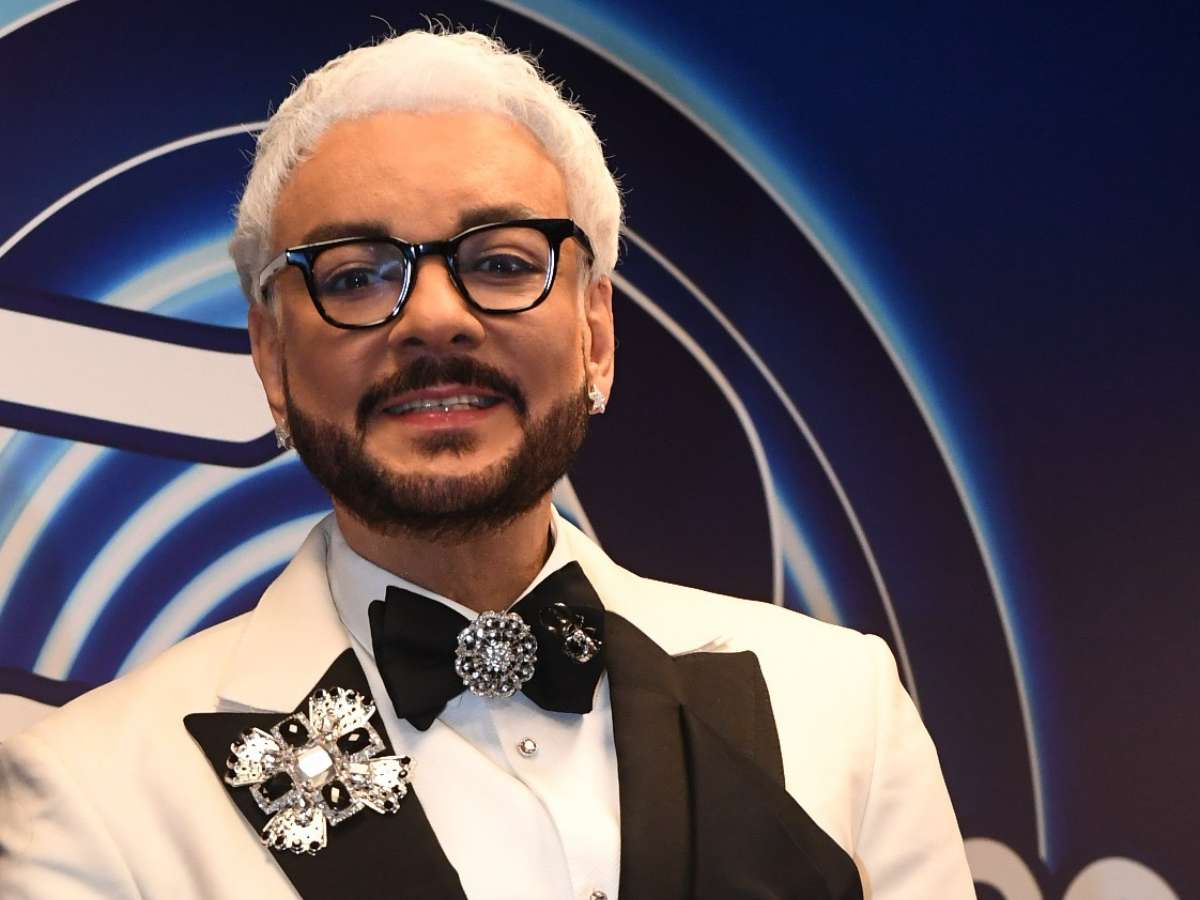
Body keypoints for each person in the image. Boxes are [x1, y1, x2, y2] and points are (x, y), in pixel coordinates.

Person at [0, 28, 975, 899]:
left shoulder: (839, 708)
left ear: (595, 331)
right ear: (271, 357)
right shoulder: (99, 795)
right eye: (357, 276)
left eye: (502, 263)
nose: (434, 318)